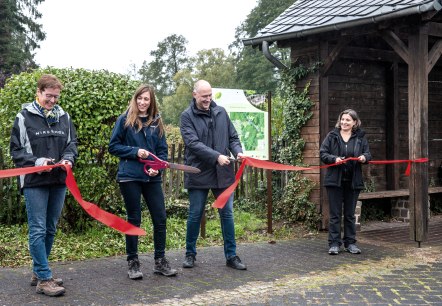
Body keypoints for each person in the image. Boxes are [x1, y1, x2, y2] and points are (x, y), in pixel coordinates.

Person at [10, 74, 77, 297]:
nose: (52, 101)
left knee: (50, 228)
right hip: (34, 182)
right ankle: (44, 278)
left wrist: (68, 159)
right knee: (38, 228)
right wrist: (38, 162)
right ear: (38, 93)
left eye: (56, 97)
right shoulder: (23, 117)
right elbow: (16, 151)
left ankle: (40, 271)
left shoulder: (65, 117)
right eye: (48, 96)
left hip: (58, 180)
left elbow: (71, 144)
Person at [108, 84, 177, 280]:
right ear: (135, 99)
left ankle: (160, 261)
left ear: (151, 101)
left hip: (152, 177)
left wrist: (158, 166)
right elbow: (113, 147)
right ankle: (133, 262)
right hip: (130, 176)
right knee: (134, 219)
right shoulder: (125, 119)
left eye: (146, 99)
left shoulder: (157, 122)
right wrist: (135, 152)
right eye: (140, 98)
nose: (143, 102)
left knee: (160, 218)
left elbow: (162, 150)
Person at [180, 80, 247, 270]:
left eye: (209, 95)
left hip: (223, 173)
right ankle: (190, 254)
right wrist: (216, 156)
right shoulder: (186, 117)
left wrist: (238, 152)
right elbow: (193, 144)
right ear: (195, 95)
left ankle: (231, 256)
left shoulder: (221, 112)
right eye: (204, 96)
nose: (208, 99)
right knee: (195, 215)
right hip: (198, 172)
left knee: (227, 215)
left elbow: (233, 137)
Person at [320, 109, 371, 255]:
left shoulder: (360, 137)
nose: (344, 122)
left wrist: (363, 157)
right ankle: (334, 244)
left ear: (355, 122)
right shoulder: (332, 136)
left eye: (348, 120)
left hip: (353, 182)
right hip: (334, 181)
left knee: (349, 214)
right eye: (343, 119)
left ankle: (350, 243)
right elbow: (323, 153)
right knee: (335, 214)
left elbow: (368, 154)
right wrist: (333, 159)